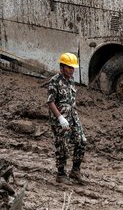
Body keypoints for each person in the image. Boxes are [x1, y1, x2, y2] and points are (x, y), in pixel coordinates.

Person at [47, 52, 87, 184]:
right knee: (62, 145)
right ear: (62, 67)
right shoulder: (55, 81)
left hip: (73, 117)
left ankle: (75, 170)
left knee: (81, 141)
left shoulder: (71, 80)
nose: (71, 70)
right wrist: (60, 118)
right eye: (69, 67)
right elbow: (50, 102)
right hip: (61, 119)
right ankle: (61, 173)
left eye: (73, 68)